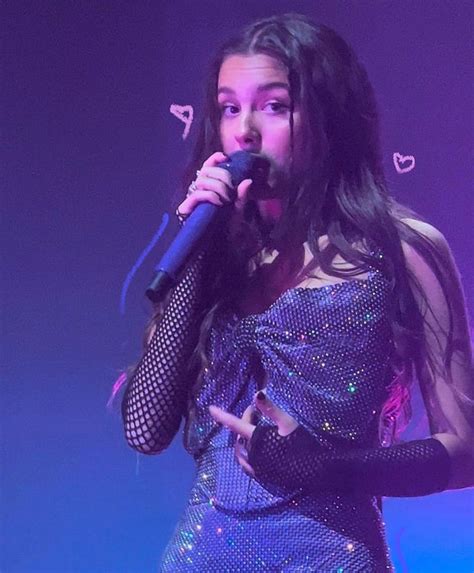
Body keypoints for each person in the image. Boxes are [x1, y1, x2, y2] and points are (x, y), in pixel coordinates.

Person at [121, 13, 473, 572]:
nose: (245, 131)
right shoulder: (218, 254)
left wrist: (327, 467)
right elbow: (145, 427)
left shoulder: (401, 250)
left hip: (330, 555)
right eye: (230, 108)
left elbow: (464, 455)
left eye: (274, 106)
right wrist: (200, 249)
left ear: (329, 119)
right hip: (203, 555)